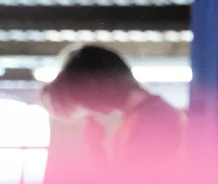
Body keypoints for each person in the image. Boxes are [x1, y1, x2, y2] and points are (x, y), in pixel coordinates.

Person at [40, 44, 186, 172]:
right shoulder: (143, 115)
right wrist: (96, 147)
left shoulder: (152, 119)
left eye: (86, 102)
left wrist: (96, 150)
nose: (92, 111)